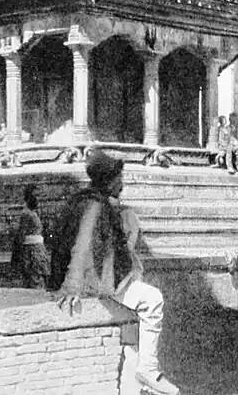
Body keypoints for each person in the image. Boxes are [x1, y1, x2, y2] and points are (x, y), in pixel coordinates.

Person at [49, 148, 178, 395]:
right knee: (153, 300)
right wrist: (73, 285)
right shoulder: (95, 207)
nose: (123, 184)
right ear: (110, 180)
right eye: (120, 178)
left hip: (96, 276)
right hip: (93, 280)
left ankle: (139, 377)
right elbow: (83, 243)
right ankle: (149, 370)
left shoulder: (84, 201)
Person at [10, 184, 50, 289]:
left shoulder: (32, 213)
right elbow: (22, 232)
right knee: (35, 274)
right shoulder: (27, 214)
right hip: (32, 248)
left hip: (37, 247)